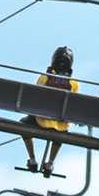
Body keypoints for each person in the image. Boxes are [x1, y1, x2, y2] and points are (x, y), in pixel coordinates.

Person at [22, 46, 76, 177]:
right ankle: (50, 163)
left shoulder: (45, 78)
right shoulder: (74, 83)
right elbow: (74, 105)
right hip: (60, 126)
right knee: (61, 134)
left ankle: (33, 159)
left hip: (41, 121)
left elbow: (36, 96)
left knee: (23, 125)